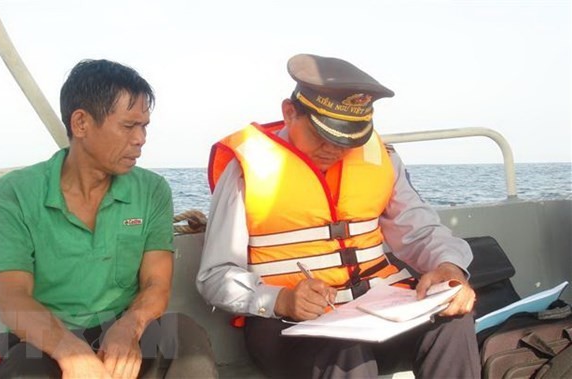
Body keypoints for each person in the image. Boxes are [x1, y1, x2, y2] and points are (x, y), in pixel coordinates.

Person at [197, 53, 480, 378]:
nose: (335, 149)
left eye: (349, 140)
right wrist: (281, 300)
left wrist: (448, 265)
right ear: (289, 113)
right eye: (323, 135)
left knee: (454, 320)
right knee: (344, 349)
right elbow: (215, 276)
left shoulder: (381, 159)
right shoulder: (245, 171)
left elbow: (421, 231)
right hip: (288, 326)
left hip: (380, 313)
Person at [0, 59, 216, 379]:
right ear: (80, 123)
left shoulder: (151, 190)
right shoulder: (13, 194)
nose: (141, 139)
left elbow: (156, 283)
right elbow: (13, 296)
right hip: (44, 341)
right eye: (128, 125)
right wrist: (71, 352)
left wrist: (128, 329)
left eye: (144, 126)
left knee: (189, 343)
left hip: (126, 330)